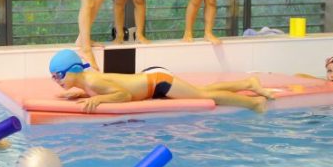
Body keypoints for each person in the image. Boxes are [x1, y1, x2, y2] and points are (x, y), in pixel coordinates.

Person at [48, 49, 273, 113]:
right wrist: (83, 94)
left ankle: (253, 104)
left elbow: (123, 96)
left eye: (59, 75)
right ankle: (248, 84)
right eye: (54, 77)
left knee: (204, 96)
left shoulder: (93, 81)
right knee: (200, 89)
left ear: (75, 70)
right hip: (152, 83)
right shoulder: (87, 83)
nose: (57, 81)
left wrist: (97, 101)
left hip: (158, 82)